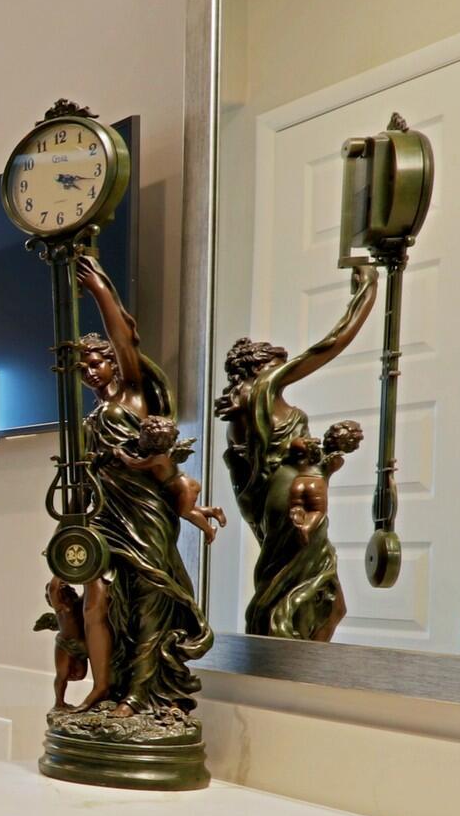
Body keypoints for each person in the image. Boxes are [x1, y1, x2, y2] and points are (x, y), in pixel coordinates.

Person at [44, 254, 215, 730]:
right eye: (83, 368)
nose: (91, 372)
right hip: (104, 516)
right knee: (100, 600)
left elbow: (126, 339)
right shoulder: (92, 416)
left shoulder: (133, 395)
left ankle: (140, 694)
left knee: (148, 597)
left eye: (97, 362)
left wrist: (100, 290)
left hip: (145, 516)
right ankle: (105, 684)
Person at [220, 264, 381, 641]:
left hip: (282, 505)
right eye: (276, 364)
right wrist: (367, 292)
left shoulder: (250, 409)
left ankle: (292, 671)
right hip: (286, 508)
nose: (285, 369)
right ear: (259, 369)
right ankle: (285, 670)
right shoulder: (260, 396)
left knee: (312, 597)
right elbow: (330, 345)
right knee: (311, 597)